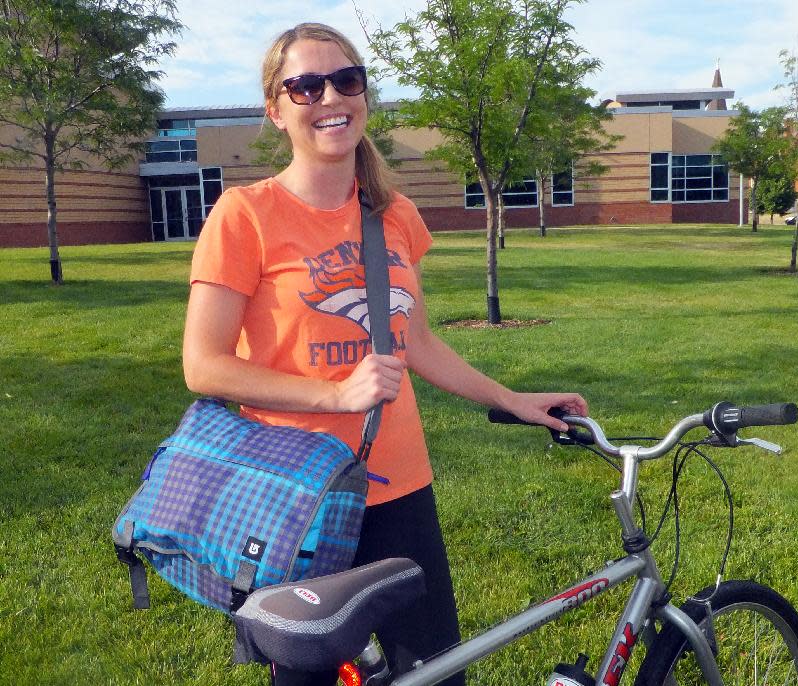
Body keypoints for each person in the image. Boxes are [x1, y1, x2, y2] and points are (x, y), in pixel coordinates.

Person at [182, 22, 588, 685]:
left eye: (345, 80)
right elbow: (205, 365)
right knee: (309, 676)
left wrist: (513, 400)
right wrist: (334, 395)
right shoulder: (243, 215)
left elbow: (417, 342)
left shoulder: (393, 215)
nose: (329, 97)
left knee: (431, 672)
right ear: (275, 110)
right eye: (305, 85)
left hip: (400, 487)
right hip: (301, 496)